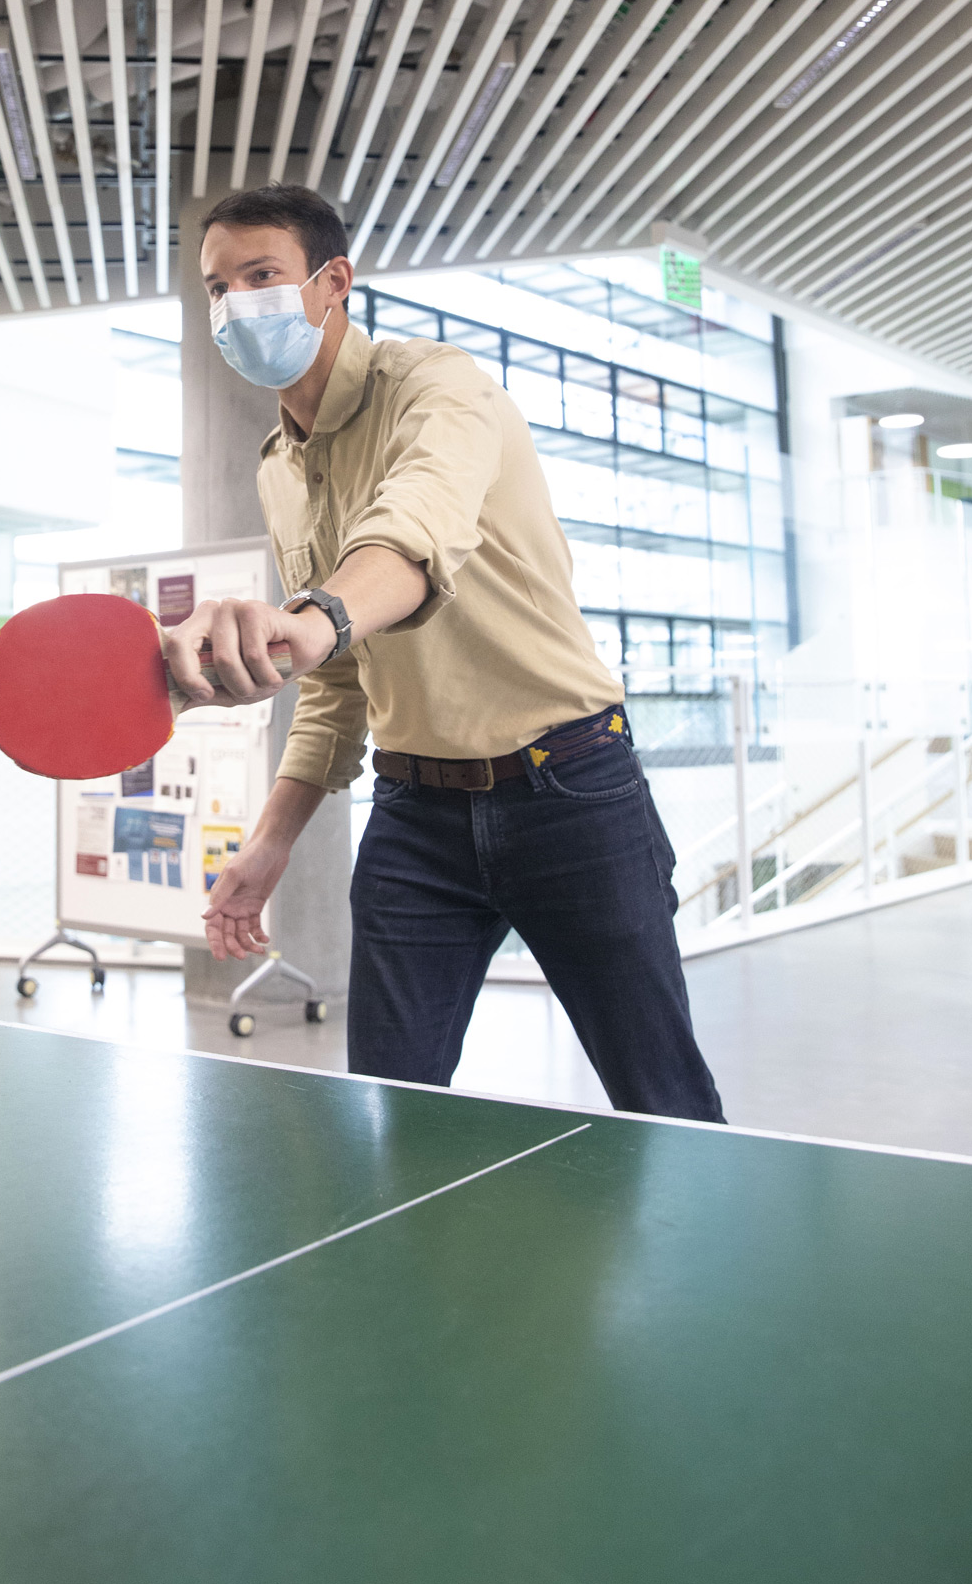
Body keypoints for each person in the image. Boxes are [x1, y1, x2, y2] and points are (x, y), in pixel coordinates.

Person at [163, 181, 723, 1122]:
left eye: (261, 276)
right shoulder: (276, 469)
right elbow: (339, 684)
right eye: (217, 288)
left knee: (661, 1094)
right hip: (416, 812)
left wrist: (306, 621)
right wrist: (268, 846)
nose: (233, 305)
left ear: (330, 281)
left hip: (571, 788)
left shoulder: (438, 385)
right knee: (392, 1106)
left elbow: (411, 532)